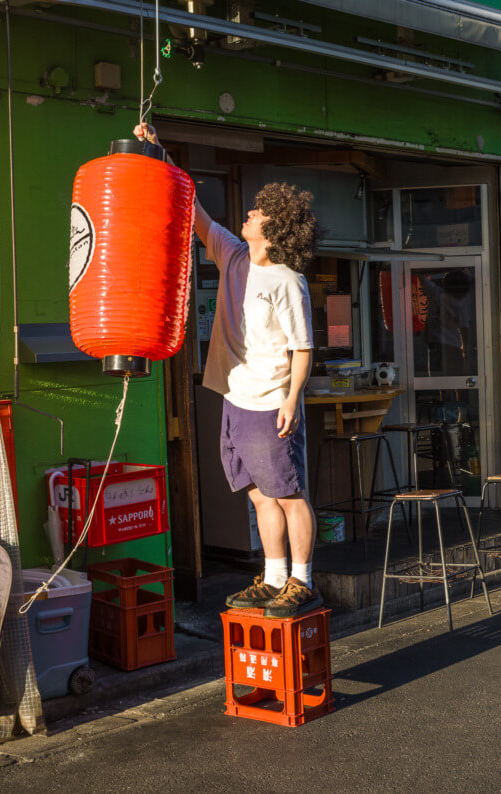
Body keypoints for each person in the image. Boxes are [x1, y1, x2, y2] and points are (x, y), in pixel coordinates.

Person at [134, 123, 322, 618]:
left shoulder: (289, 282)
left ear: (274, 228)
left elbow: (303, 349)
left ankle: (303, 580)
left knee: (289, 493)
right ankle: (275, 576)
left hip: (270, 402)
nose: (250, 212)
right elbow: (193, 210)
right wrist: (158, 151)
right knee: (259, 496)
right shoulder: (233, 255)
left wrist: (291, 400)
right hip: (234, 399)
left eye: (259, 211)